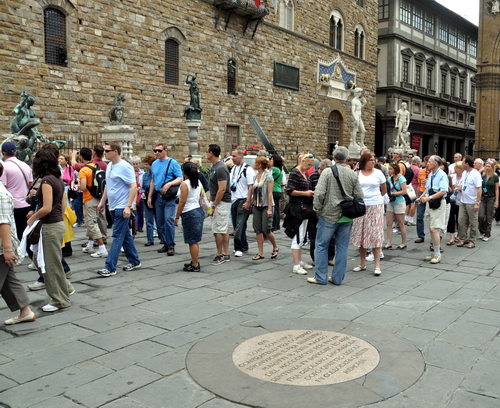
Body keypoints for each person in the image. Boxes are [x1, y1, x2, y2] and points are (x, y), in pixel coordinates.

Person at [307, 146, 363, 285]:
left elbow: (319, 193)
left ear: (334, 157)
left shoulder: (327, 172)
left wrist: (317, 209)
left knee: (321, 245)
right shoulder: (352, 174)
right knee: (342, 247)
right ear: (346, 158)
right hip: (346, 215)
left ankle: (321, 277)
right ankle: (337, 278)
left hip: (328, 214)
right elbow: (360, 195)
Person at [27, 148, 74, 312]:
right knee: (53, 263)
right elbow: (61, 206)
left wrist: (33, 217)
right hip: (57, 224)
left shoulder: (46, 181)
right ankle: (65, 291)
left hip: (50, 226)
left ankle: (59, 300)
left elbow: (46, 207)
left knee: (49, 265)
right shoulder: (58, 179)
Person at [97, 143, 141, 277]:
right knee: (125, 235)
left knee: (116, 236)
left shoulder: (125, 167)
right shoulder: (110, 165)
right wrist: (102, 201)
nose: (104, 153)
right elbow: (108, 186)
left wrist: (128, 206)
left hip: (122, 206)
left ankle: (110, 267)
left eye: (107, 151)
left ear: (115, 151)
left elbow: (134, 187)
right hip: (113, 205)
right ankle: (134, 260)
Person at [0, 162, 36, 325]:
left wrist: (7, 249)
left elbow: (3, 223)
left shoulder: (0, 193)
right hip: (3, 244)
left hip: (2, 245)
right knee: (9, 280)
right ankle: (25, 311)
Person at [350, 152, 387, 276]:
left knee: (375, 234)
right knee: (361, 234)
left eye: (374, 159)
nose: (373, 161)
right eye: (370, 159)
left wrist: (375, 199)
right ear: (364, 161)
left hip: (375, 205)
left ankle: (377, 264)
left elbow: (384, 189)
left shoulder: (378, 173)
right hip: (361, 206)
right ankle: (362, 263)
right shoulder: (357, 173)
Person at [147, 143, 183, 256]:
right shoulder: (154, 164)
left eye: (159, 150)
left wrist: (169, 184)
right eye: (155, 150)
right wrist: (149, 196)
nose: (157, 153)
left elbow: (180, 178)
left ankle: (171, 245)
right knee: (160, 222)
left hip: (169, 196)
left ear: (165, 150)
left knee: (168, 220)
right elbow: (153, 181)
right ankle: (166, 243)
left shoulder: (173, 162)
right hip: (158, 195)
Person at [284, 153, 315, 275]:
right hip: (297, 209)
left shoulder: (303, 173)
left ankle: (299, 261)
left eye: (311, 165)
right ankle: (296, 265)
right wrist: (306, 193)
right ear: (302, 161)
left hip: (304, 209)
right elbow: (289, 190)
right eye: (308, 165)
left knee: (302, 236)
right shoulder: (295, 172)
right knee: (298, 236)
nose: (309, 167)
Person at [416, 155, 449, 264]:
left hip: (438, 203)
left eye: (430, 161)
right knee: (431, 229)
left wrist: (428, 198)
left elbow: (443, 191)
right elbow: (427, 189)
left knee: (435, 229)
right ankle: (435, 252)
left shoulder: (442, 175)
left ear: (436, 163)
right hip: (430, 203)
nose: (427, 163)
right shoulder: (431, 174)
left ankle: (437, 254)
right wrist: (420, 198)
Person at [174, 162, 205, 272]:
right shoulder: (198, 182)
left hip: (189, 212)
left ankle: (195, 264)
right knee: (195, 240)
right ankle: (194, 260)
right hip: (198, 210)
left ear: (184, 172)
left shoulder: (184, 184)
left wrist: (177, 216)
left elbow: (182, 202)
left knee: (192, 241)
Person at [78, 147, 107, 258]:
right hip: (98, 198)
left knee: (91, 223)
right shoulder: (96, 166)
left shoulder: (84, 170)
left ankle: (102, 248)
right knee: (94, 221)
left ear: (81, 157)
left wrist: (77, 185)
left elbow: (83, 187)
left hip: (89, 199)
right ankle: (90, 245)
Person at [0, 142, 33, 240]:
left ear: (2, 152)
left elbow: (2, 186)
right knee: (24, 231)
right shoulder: (26, 165)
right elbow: (31, 184)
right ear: (16, 152)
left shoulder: (4, 167)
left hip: (13, 205)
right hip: (26, 203)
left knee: (14, 233)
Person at [206, 144, 232, 265]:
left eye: (207, 151)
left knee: (218, 229)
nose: (206, 153)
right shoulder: (216, 166)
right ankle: (226, 253)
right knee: (223, 229)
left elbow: (222, 189)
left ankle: (220, 254)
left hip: (221, 202)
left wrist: (214, 205)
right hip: (220, 202)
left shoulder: (220, 168)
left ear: (211, 153)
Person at [308, 159, 335, 267]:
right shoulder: (313, 176)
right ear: (322, 168)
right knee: (314, 235)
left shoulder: (332, 176)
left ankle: (330, 257)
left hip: (329, 210)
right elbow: (309, 190)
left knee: (331, 235)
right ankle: (315, 258)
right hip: (315, 209)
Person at [251, 156, 279, 260]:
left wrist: (270, 208)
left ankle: (275, 247)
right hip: (257, 205)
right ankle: (260, 252)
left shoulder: (268, 176)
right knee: (258, 229)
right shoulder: (256, 175)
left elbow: (270, 193)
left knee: (267, 229)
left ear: (260, 164)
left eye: (256, 162)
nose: (254, 164)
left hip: (266, 205)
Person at [229, 149, 254, 257]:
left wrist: (248, 201)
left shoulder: (248, 169)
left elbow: (251, 187)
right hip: (234, 199)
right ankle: (244, 245)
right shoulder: (234, 168)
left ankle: (238, 247)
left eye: (234, 156)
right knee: (238, 225)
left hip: (243, 199)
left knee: (239, 226)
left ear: (240, 156)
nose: (232, 158)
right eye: (232, 156)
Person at [456, 155, 482, 249]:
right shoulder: (464, 173)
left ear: (467, 163)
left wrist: (477, 203)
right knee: (461, 221)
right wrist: (459, 188)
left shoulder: (476, 174)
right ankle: (463, 238)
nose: (461, 163)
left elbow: (479, 189)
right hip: (463, 201)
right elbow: (464, 184)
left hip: (472, 202)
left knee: (473, 222)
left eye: (463, 162)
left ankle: (472, 240)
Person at [385, 163, 407, 249]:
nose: (389, 170)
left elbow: (404, 191)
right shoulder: (389, 179)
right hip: (390, 202)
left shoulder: (401, 178)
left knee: (400, 223)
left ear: (395, 169)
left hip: (399, 202)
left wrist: (393, 193)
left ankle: (403, 242)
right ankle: (389, 242)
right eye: (388, 169)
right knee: (388, 223)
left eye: (390, 169)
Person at [478, 160, 499, 241]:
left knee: (488, 217)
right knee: (481, 216)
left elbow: (497, 189)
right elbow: (479, 187)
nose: (487, 167)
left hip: (491, 198)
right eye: (486, 166)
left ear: (492, 167)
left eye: (489, 166)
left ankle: (487, 234)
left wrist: (497, 201)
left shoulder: (495, 176)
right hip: (483, 198)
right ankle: (482, 231)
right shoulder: (482, 176)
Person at [447, 161, 463, 245]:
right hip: (452, 200)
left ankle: (459, 236)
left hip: (462, 200)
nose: (455, 169)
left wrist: (461, 188)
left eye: (457, 168)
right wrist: (452, 188)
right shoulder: (452, 176)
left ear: (461, 169)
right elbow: (449, 188)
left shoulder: (465, 177)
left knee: (460, 219)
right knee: (451, 218)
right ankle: (452, 237)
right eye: (455, 168)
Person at [141, 155, 156, 246]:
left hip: (156, 198)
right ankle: (150, 239)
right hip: (147, 198)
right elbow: (143, 186)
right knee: (149, 220)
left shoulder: (157, 174)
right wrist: (142, 192)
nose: (145, 166)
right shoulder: (145, 175)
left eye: (147, 164)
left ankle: (162, 238)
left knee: (159, 220)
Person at [415, 155, 430, 243]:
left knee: (431, 216)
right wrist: (417, 197)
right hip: (421, 193)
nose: (427, 164)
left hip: (431, 194)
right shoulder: (421, 172)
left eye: (428, 162)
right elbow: (419, 185)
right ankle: (420, 235)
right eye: (426, 162)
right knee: (419, 215)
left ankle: (434, 236)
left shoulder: (434, 173)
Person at [131, 156, 145, 233]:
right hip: (133, 194)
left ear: (139, 164)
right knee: (134, 211)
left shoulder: (142, 173)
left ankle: (140, 226)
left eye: (137, 164)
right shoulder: (130, 173)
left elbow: (144, 183)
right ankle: (135, 227)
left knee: (141, 211)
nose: (135, 165)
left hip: (141, 194)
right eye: (134, 164)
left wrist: (142, 190)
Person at [271, 154, 284, 231]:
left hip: (273, 190)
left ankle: (274, 224)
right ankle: (277, 224)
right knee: (276, 208)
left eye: (272, 159)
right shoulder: (279, 169)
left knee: (274, 208)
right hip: (278, 190)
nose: (270, 161)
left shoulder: (274, 169)